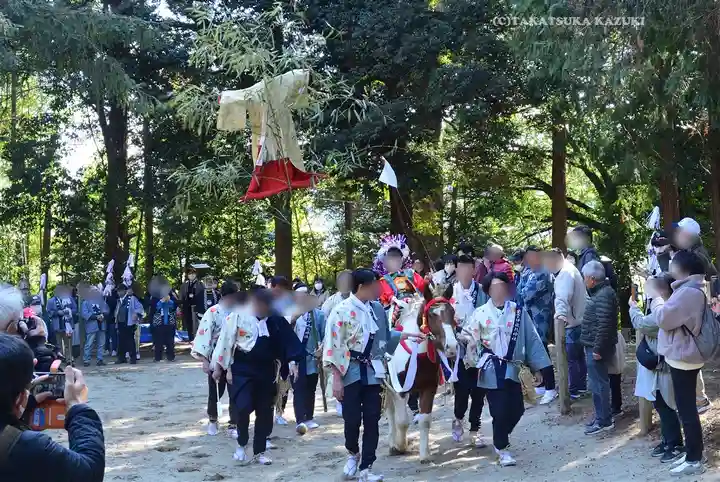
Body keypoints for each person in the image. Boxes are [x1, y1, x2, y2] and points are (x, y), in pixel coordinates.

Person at [323, 268, 424, 482]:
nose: (379, 290)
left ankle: (367, 467)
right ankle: (353, 454)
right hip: (349, 371)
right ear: (361, 287)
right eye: (374, 286)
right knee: (351, 420)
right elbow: (333, 346)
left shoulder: (377, 309)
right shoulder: (340, 311)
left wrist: (409, 335)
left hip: (373, 371)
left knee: (372, 419)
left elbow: (386, 337)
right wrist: (337, 379)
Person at [463, 272, 550, 467]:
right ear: (488, 291)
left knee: (517, 409)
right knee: (499, 410)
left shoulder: (518, 312)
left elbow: (532, 339)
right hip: (491, 368)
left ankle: (500, 434)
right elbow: (469, 337)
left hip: (513, 368)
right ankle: (502, 448)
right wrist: (468, 346)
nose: (499, 291)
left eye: (502, 287)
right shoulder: (480, 313)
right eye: (494, 288)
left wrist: (537, 368)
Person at [212, 287, 304, 466]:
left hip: (266, 371)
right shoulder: (237, 316)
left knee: (264, 411)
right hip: (242, 369)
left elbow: (288, 342)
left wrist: (293, 363)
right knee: (243, 406)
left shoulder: (275, 319)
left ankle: (259, 450)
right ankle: (241, 444)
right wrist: (219, 367)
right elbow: (225, 342)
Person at [0, 333, 105, 481]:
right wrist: (77, 407)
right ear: (19, 400)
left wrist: (26, 403)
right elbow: (89, 472)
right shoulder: (27, 446)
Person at [655, 250, 708, 476]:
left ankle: (694, 458)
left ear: (683, 268)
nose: (670, 267)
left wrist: (657, 300)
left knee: (687, 410)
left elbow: (663, 319)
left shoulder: (688, 292)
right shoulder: (692, 289)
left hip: (684, 356)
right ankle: (692, 455)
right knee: (686, 409)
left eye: (673, 264)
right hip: (686, 354)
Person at [629, 274, 684, 464]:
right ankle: (667, 440)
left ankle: (675, 444)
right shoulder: (662, 306)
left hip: (666, 367)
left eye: (651, 288)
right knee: (660, 403)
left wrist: (633, 309)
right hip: (660, 365)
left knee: (667, 405)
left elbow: (643, 324)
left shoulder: (665, 309)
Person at [447, 254, 487, 446]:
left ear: (474, 270)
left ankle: (475, 428)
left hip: (480, 347)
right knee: (462, 390)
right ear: (456, 269)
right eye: (460, 267)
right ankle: (458, 418)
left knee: (479, 391)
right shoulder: (449, 292)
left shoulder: (482, 291)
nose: (464, 271)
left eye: (467, 267)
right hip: (459, 349)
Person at [192, 280, 240, 437]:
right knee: (215, 392)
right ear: (226, 296)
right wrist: (205, 360)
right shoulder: (212, 312)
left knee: (236, 392)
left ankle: (234, 423)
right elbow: (203, 337)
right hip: (215, 356)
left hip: (235, 357)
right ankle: (213, 419)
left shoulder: (240, 312)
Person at [580, 261, 618, 435]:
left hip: (596, 348)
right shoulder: (600, 292)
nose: (583, 280)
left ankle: (604, 420)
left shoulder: (604, 295)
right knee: (596, 383)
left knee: (599, 384)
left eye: (585, 277)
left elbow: (604, 325)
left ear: (592, 279)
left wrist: (597, 349)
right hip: (593, 345)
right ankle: (601, 417)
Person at [545, 248, 587, 399]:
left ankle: (574, 388)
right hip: (578, 318)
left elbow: (563, 297)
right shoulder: (569, 269)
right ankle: (580, 386)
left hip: (572, 321)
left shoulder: (565, 274)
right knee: (578, 357)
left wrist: (560, 315)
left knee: (572, 358)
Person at [516, 246, 556, 404]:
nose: (531, 260)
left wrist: (521, 291)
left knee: (542, 352)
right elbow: (518, 292)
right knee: (533, 352)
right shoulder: (527, 271)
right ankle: (542, 383)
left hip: (541, 319)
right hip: (529, 318)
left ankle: (551, 388)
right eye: (529, 257)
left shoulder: (543, 272)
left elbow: (526, 294)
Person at [288, 284, 326, 434]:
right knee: (298, 388)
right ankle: (300, 419)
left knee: (311, 387)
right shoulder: (289, 313)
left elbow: (325, 334)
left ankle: (309, 416)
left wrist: (321, 348)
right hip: (295, 358)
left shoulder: (318, 314)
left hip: (312, 357)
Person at [321, 270, 352, 416]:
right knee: (335, 371)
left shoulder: (357, 299)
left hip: (352, 341)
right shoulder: (331, 302)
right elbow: (323, 321)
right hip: (335, 340)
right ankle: (339, 401)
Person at [148, 278, 178, 363]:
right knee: (158, 341)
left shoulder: (172, 296)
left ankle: (171, 356)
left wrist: (170, 301)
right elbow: (154, 308)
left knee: (170, 341)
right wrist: (162, 301)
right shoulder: (154, 297)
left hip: (170, 322)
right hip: (158, 322)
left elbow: (174, 306)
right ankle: (158, 357)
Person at [114, 283, 145, 365]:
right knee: (120, 341)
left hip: (129, 322)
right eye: (118, 291)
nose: (118, 293)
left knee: (130, 341)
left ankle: (133, 358)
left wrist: (136, 314)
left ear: (124, 291)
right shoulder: (119, 300)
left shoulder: (132, 299)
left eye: (120, 291)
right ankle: (121, 358)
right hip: (120, 323)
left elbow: (140, 307)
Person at [47, 285, 78, 364]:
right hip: (57, 325)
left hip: (67, 325)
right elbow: (49, 312)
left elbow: (75, 309)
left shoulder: (69, 299)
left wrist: (68, 311)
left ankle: (69, 359)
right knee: (58, 344)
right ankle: (60, 360)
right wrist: (57, 313)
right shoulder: (51, 301)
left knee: (68, 343)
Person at [80, 287, 110, 367]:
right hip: (91, 325)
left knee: (101, 343)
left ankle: (100, 359)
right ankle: (86, 359)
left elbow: (107, 310)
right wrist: (96, 317)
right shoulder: (85, 302)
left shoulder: (102, 301)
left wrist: (103, 315)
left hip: (102, 324)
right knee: (89, 343)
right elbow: (84, 313)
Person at [180, 267, 203, 342]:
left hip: (197, 306)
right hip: (187, 306)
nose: (191, 275)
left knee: (197, 323)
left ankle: (198, 339)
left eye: (193, 274)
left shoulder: (200, 284)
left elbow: (202, 295)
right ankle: (190, 338)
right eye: (190, 274)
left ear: (196, 274)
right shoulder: (184, 284)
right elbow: (181, 296)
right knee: (189, 323)